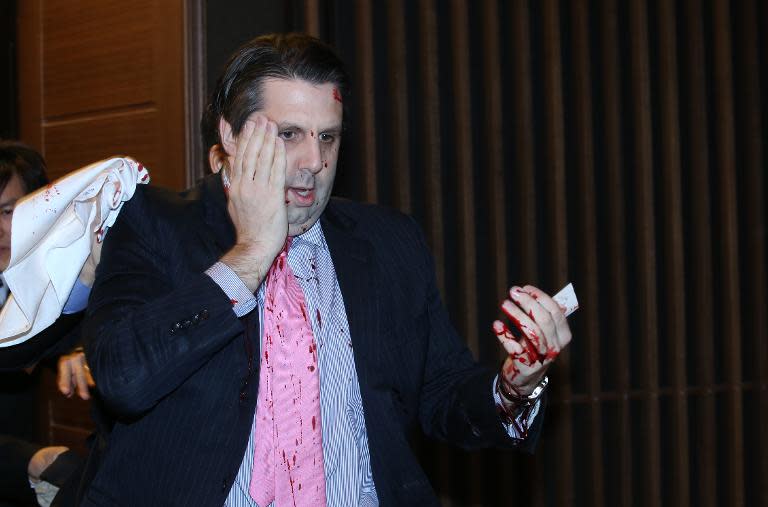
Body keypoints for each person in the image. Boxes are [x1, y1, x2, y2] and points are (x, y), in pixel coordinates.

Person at [81, 33, 572, 506]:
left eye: (329, 137)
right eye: (290, 134)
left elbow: (442, 395)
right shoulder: (153, 223)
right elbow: (124, 379)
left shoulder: (388, 242)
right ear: (229, 135)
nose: (314, 160)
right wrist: (250, 254)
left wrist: (513, 387)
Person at [0, 141, 92, 507]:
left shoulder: (73, 281)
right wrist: (26, 460)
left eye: (8, 212)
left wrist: (82, 348)